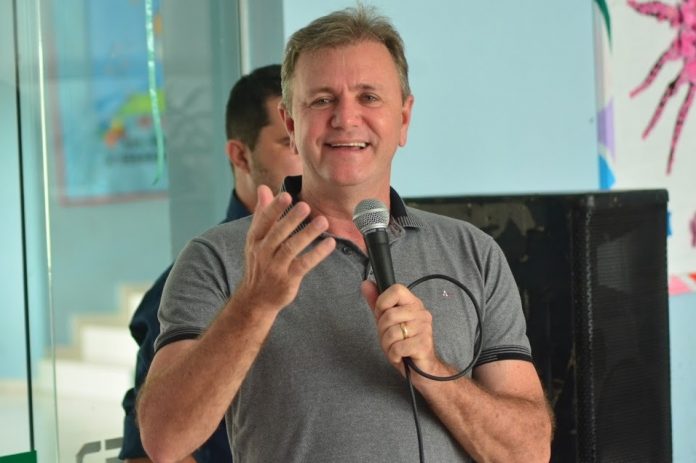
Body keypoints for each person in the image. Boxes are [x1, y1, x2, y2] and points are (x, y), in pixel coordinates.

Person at [137, 6, 553, 463]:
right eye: (321, 100)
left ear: (404, 119)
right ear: (291, 124)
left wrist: (432, 369)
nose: (345, 118)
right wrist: (254, 303)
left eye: (369, 97)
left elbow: (530, 453)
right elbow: (164, 441)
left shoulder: (473, 252)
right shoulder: (218, 258)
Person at [118, 64, 301, 462]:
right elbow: (150, 453)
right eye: (290, 143)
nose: (311, 157)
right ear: (240, 155)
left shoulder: (350, 256)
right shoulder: (199, 276)